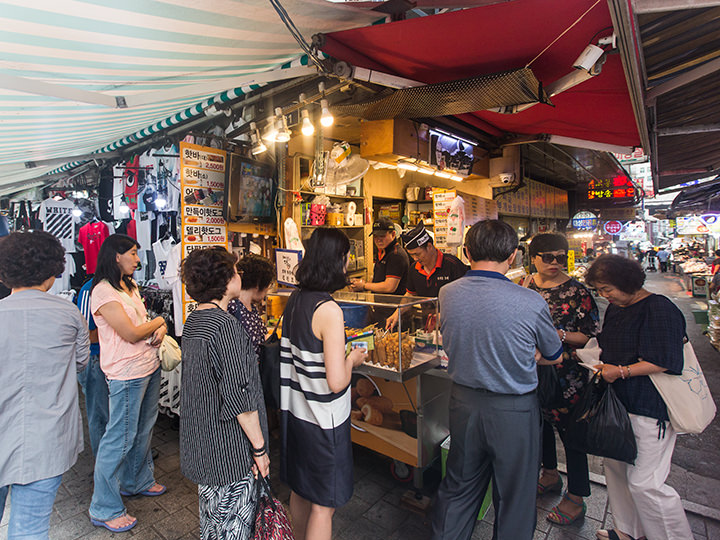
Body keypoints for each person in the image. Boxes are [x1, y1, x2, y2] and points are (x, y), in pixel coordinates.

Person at [431, 220, 563, 540]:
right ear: (513, 255)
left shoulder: (447, 293)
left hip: (463, 403)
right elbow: (554, 354)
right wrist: (529, 355)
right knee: (515, 495)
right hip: (514, 409)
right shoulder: (530, 301)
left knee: (458, 487)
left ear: (466, 252)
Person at [586, 255, 692, 540]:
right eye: (599, 290)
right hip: (617, 405)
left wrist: (620, 371)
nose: (604, 295)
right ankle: (628, 530)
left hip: (649, 407)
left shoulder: (659, 308)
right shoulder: (616, 309)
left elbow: (665, 360)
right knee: (616, 470)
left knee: (645, 483)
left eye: (607, 289)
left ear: (627, 281)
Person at [0, 231, 89, 538]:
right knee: (30, 529)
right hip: (47, 437)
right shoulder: (69, 313)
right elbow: (80, 363)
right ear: (53, 271)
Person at [280, 228, 368, 540]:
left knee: (301, 491)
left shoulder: (295, 299)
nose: (348, 263)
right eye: (346, 257)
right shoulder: (329, 310)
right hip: (323, 423)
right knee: (323, 505)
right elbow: (337, 381)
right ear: (336, 261)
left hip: (297, 416)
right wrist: (352, 359)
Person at [180, 247, 270, 540]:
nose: (239, 274)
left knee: (213, 523)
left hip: (203, 443)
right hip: (229, 451)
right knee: (234, 526)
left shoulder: (195, 320)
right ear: (224, 279)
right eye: (234, 270)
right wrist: (259, 449)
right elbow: (240, 398)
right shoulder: (226, 327)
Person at [89, 234, 168, 533]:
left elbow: (142, 323)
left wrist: (159, 329)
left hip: (149, 365)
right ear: (116, 256)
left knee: (143, 429)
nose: (137, 259)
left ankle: (137, 480)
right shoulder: (103, 291)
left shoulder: (130, 286)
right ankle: (104, 507)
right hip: (126, 373)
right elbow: (131, 333)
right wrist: (160, 322)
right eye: (132, 253)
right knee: (119, 438)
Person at [526, 233, 599, 525]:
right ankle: (550, 474)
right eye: (548, 257)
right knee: (541, 427)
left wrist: (559, 335)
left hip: (568, 376)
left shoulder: (578, 292)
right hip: (533, 371)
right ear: (533, 258)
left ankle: (576, 497)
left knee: (571, 435)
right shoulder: (525, 285)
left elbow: (590, 337)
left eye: (560, 257)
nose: (555, 263)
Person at [385, 223, 468, 329]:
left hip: (453, 326)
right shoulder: (414, 269)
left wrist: (444, 315)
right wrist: (397, 313)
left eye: (417, 254)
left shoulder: (452, 265)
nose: (415, 258)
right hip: (428, 328)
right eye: (411, 255)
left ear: (429, 246)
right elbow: (410, 295)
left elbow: (466, 298)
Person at [76, 277, 110, 457]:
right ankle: (103, 463)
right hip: (95, 358)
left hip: (113, 359)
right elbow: (86, 334)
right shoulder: (89, 290)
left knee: (113, 413)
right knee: (99, 414)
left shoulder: (122, 285)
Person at [228, 253, 276, 356]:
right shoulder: (233, 307)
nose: (268, 289)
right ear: (258, 284)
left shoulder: (252, 308)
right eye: (269, 284)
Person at [349, 217, 409, 295]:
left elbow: (389, 287)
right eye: (375, 236)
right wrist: (360, 283)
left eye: (382, 236)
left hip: (392, 302)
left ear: (393, 234)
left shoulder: (396, 255)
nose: (378, 240)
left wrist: (364, 285)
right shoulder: (382, 251)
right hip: (381, 301)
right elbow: (378, 279)